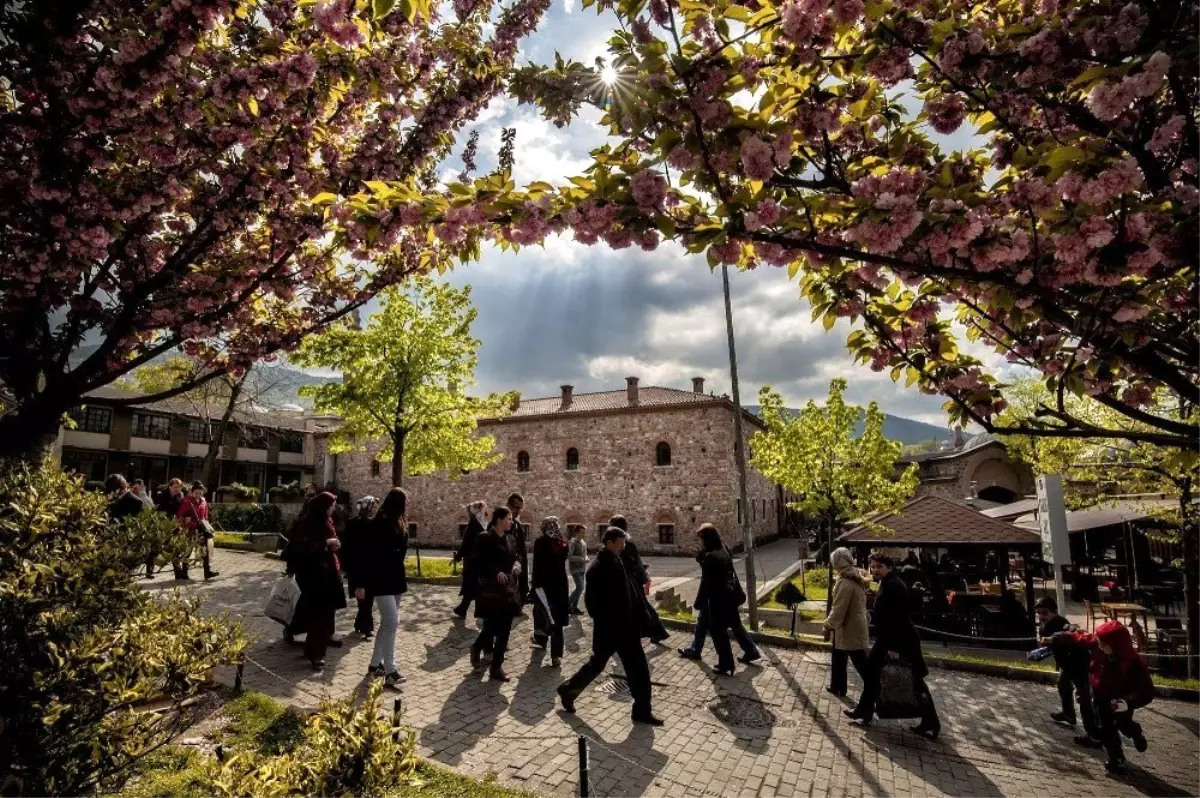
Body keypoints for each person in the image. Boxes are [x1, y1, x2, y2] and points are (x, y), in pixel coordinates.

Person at [557, 527, 663, 726]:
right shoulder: (598, 568)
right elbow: (592, 604)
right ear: (609, 542)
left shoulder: (617, 560)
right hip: (611, 629)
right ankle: (568, 691)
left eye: (623, 542)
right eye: (620, 542)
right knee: (597, 665)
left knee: (638, 669)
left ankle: (641, 710)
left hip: (626, 629)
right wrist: (610, 622)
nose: (623, 545)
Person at [846, 553, 941, 739]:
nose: (874, 570)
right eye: (872, 566)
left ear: (889, 567)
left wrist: (894, 648)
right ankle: (864, 711)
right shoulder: (888, 583)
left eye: (878, 567)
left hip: (899, 640)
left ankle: (931, 721)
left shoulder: (894, 586)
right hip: (889, 638)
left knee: (913, 681)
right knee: (872, 673)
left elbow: (898, 618)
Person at [1069, 621, 1154, 772]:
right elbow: (1084, 638)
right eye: (1099, 642)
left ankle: (1135, 732)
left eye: (1103, 644)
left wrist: (1127, 701)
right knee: (1106, 726)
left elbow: (1146, 691)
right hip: (1100, 694)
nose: (1099, 646)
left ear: (1116, 645)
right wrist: (1060, 637)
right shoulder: (1098, 646)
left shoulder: (1133, 664)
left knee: (1123, 723)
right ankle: (1116, 758)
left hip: (1122, 700)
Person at [284, 491, 347, 670]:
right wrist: (327, 543)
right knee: (317, 613)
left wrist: (335, 544)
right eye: (331, 506)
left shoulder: (327, 521)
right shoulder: (306, 523)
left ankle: (313, 642)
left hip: (327, 571)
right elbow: (304, 547)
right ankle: (315, 652)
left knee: (322, 611)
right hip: (312, 573)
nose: (333, 509)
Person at [357, 487, 409, 689]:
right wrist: (360, 583)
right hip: (381, 579)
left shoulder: (397, 522)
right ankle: (390, 670)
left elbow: (401, 547)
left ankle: (374, 664)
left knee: (387, 624)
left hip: (395, 578)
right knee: (391, 622)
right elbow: (367, 555)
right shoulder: (378, 523)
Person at [695, 524, 755, 676]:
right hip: (729, 595)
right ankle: (748, 652)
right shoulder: (724, 550)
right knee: (734, 624)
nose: (700, 542)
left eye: (701, 539)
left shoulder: (711, 557)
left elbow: (707, 582)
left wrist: (699, 602)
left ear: (706, 539)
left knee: (718, 632)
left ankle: (726, 663)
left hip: (718, 599)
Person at [471, 506, 521, 681]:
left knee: (505, 628)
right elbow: (477, 561)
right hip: (491, 590)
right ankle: (477, 647)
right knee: (491, 626)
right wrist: (494, 572)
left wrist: (516, 565)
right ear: (499, 520)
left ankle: (496, 667)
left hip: (507, 590)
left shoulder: (510, 539)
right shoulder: (484, 538)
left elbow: (514, 557)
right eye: (508, 518)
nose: (511, 521)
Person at [1034, 597, 1096, 736]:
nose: (1041, 616)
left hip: (1077, 662)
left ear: (1054, 611)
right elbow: (1049, 647)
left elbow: (1072, 630)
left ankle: (1093, 732)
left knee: (1083, 696)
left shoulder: (1061, 622)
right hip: (1065, 663)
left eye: (1044, 612)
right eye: (1039, 613)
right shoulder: (1043, 626)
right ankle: (1068, 714)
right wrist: (1038, 654)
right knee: (1063, 685)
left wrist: (1054, 638)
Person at [609, 515, 669, 644]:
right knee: (640, 606)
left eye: (611, 525)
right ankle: (657, 632)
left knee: (641, 606)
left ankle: (656, 632)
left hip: (631, 581)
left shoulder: (625, 542)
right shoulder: (626, 540)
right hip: (632, 579)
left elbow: (629, 562)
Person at [824, 547, 870, 698]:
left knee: (861, 664)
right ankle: (837, 686)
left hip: (850, 629)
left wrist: (828, 625)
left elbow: (839, 608)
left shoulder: (845, 582)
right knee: (838, 657)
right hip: (848, 627)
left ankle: (876, 691)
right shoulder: (855, 576)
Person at [531, 516, 570, 667]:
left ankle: (541, 640)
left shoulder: (540, 542)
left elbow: (537, 566)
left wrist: (534, 586)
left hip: (544, 584)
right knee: (558, 619)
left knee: (543, 613)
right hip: (560, 584)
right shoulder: (563, 542)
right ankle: (556, 655)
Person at [342, 495, 378, 640]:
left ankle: (359, 624)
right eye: (372, 507)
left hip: (364, 566)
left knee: (365, 599)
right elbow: (348, 545)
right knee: (364, 599)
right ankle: (367, 628)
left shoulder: (358, 522)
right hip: (359, 566)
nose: (373, 510)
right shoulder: (363, 524)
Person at [177, 481, 219, 580]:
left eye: (200, 493)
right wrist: (192, 524)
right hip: (190, 529)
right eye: (196, 493)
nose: (198, 495)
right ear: (192, 492)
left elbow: (205, 516)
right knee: (188, 550)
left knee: (205, 550)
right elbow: (180, 517)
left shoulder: (204, 501)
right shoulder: (187, 501)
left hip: (202, 529)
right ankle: (184, 572)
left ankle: (207, 571)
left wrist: (207, 526)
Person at [453, 500, 488, 618]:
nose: (468, 513)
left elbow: (466, 542)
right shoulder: (481, 523)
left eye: (469, 511)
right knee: (474, 584)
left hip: (474, 560)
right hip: (477, 559)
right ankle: (465, 609)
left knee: (472, 584)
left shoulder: (475, 523)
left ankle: (465, 609)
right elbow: (468, 543)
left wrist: (458, 557)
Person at [152, 478, 186, 579]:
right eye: (175, 487)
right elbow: (158, 511)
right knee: (158, 548)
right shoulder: (161, 496)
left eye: (179, 487)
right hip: (164, 525)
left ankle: (178, 572)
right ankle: (150, 569)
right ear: (170, 486)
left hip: (176, 525)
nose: (177, 489)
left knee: (176, 548)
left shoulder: (181, 496)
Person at [507, 493, 529, 605]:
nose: (518, 511)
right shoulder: (497, 525)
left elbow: (522, 550)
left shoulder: (517, 525)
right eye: (516, 507)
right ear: (508, 505)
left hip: (516, 568)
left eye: (520, 508)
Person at [567, 524, 588, 615]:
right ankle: (567, 605)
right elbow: (570, 556)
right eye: (582, 533)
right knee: (580, 587)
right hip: (575, 569)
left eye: (584, 533)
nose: (583, 534)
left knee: (580, 589)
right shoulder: (572, 543)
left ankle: (574, 608)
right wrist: (582, 559)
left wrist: (586, 558)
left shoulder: (583, 543)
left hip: (582, 569)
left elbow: (585, 554)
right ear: (576, 532)